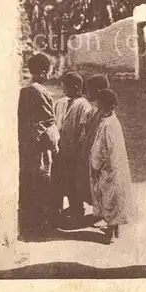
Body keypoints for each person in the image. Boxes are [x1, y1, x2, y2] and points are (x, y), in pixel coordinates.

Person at [18, 53, 59, 237]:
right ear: (43, 72)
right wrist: (55, 144)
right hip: (39, 146)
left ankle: (31, 223)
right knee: (42, 182)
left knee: (29, 182)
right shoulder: (40, 92)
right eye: (49, 71)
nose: (50, 74)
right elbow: (47, 122)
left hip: (27, 144)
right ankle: (41, 225)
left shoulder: (25, 90)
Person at [90, 89, 134, 244]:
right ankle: (115, 229)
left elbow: (101, 149)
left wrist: (95, 166)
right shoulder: (113, 122)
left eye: (101, 108)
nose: (99, 110)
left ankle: (109, 233)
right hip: (115, 166)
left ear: (109, 107)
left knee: (107, 198)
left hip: (107, 168)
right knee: (114, 198)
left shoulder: (107, 125)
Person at [52, 71, 91, 224]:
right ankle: (58, 211)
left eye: (65, 88)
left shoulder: (84, 106)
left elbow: (83, 131)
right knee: (60, 181)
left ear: (76, 88)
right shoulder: (61, 103)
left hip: (74, 153)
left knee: (74, 183)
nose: (63, 91)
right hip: (60, 150)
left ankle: (77, 211)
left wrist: (79, 151)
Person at [77, 74, 110, 206]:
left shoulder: (105, 113)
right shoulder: (92, 111)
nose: (86, 93)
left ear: (99, 91)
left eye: (89, 90)